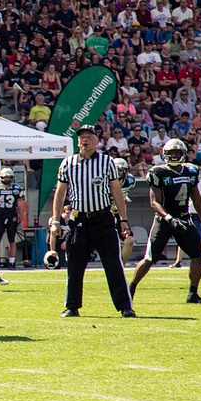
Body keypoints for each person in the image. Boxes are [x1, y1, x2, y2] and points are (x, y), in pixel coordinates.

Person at [51, 125, 134, 318]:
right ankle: (72, 306)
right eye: (81, 138)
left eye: (89, 137)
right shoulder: (68, 163)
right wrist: (55, 220)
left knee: (113, 264)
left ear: (96, 141)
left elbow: (116, 191)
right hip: (79, 220)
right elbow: (60, 193)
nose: (85, 140)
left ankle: (125, 306)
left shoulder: (107, 162)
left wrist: (123, 219)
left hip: (103, 218)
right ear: (77, 142)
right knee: (75, 265)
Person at [128, 139, 201, 304]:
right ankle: (129, 290)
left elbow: (196, 197)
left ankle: (192, 293)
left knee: (197, 256)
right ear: (164, 154)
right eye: (171, 153)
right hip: (164, 219)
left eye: (177, 153)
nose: (174, 156)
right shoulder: (158, 172)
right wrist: (169, 218)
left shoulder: (191, 171)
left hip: (184, 218)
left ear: (183, 154)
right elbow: (154, 202)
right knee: (150, 258)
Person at [0, 167, 25, 268]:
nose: (6, 179)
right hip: (0, 216)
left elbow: (20, 207)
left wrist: (21, 220)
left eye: (8, 177)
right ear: (1, 178)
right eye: (5, 177)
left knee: (12, 240)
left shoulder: (17, 189)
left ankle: (12, 262)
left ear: (12, 177)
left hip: (11, 216)